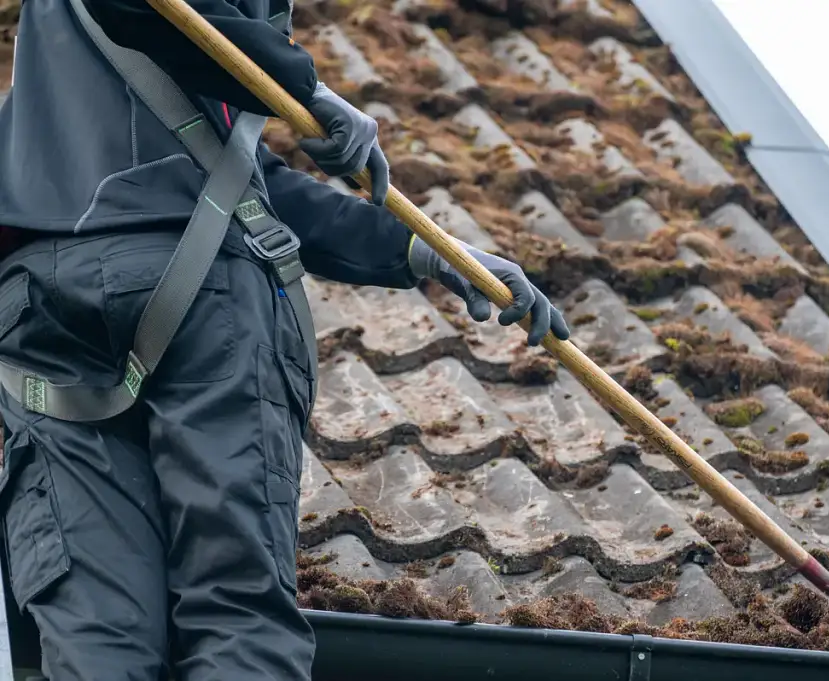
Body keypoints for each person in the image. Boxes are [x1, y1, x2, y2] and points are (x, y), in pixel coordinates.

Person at [0, 1, 570, 679]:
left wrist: (418, 248)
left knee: (100, 640)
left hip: (45, 313)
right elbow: (159, 21)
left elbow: (232, 182)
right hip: (195, 296)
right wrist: (303, 87)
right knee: (237, 612)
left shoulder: (50, 60)